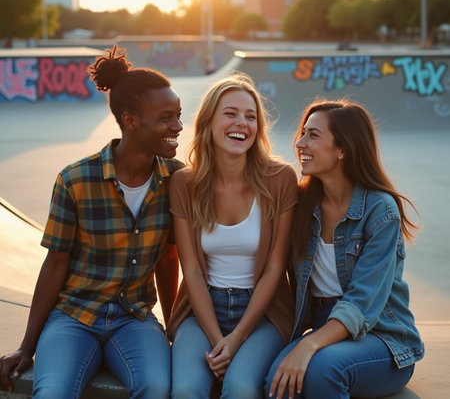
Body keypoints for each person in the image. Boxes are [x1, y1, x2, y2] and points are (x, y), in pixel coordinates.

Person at [0, 45, 184, 399]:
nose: (177, 126)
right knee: (53, 391)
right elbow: (55, 265)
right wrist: (27, 345)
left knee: (157, 386)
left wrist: (172, 329)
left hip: (135, 318)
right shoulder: (75, 180)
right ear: (130, 120)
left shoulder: (177, 179)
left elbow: (169, 259)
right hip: (73, 316)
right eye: (165, 117)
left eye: (178, 115)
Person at [266, 99, 424, 399]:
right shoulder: (302, 205)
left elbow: (362, 302)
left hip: (383, 337)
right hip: (326, 327)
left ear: (342, 149)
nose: (300, 142)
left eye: (313, 135)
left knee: (326, 369)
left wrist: (308, 345)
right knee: (276, 382)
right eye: (303, 133)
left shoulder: (380, 211)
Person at [166, 73, 298, 398]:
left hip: (263, 313)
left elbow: (274, 267)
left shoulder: (280, 179)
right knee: (185, 390)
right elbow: (192, 270)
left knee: (240, 388)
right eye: (231, 113)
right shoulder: (185, 183)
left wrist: (235, 339)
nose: (242, 123)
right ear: (209, 122)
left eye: (251, 117)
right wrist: (217, 340)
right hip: (202, 309)